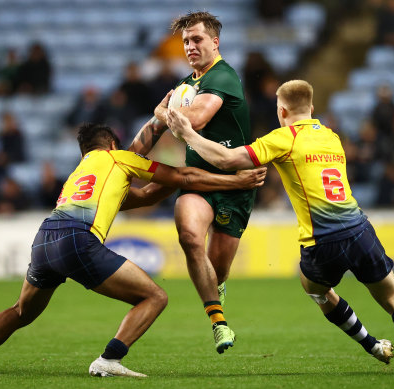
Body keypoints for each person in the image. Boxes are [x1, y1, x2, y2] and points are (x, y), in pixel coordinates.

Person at [166, 79, 394, 375]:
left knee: (314, 287)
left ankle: (371, 345)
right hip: (358, 230)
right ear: (312, 109)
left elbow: (227, 160)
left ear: (281, 111)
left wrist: (188, 133)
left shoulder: (283, 138)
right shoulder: (332, 136)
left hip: (322, 242)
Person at [0, 123, 266, 378]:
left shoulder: (80, 173)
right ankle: (109, 359)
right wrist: (236, 182)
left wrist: (174, 180)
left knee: (21, 311)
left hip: (45, 239)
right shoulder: (117, 158)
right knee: (155, 297)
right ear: (111, 144)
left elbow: (144, 197)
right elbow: (183, 175)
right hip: (78, 240)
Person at [129, 11, 255, 353]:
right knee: (188, 236)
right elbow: (154, 127)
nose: (190, 46)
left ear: (215, 42)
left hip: (236, 184)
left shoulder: (224, 77)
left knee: (218, 269)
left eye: (197, 39)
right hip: (198, 179)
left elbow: (196, 119)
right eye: (186, 41)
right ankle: (218, 322)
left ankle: (218, 284)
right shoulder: (187, 84)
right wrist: (123, 161)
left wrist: (163, 114)